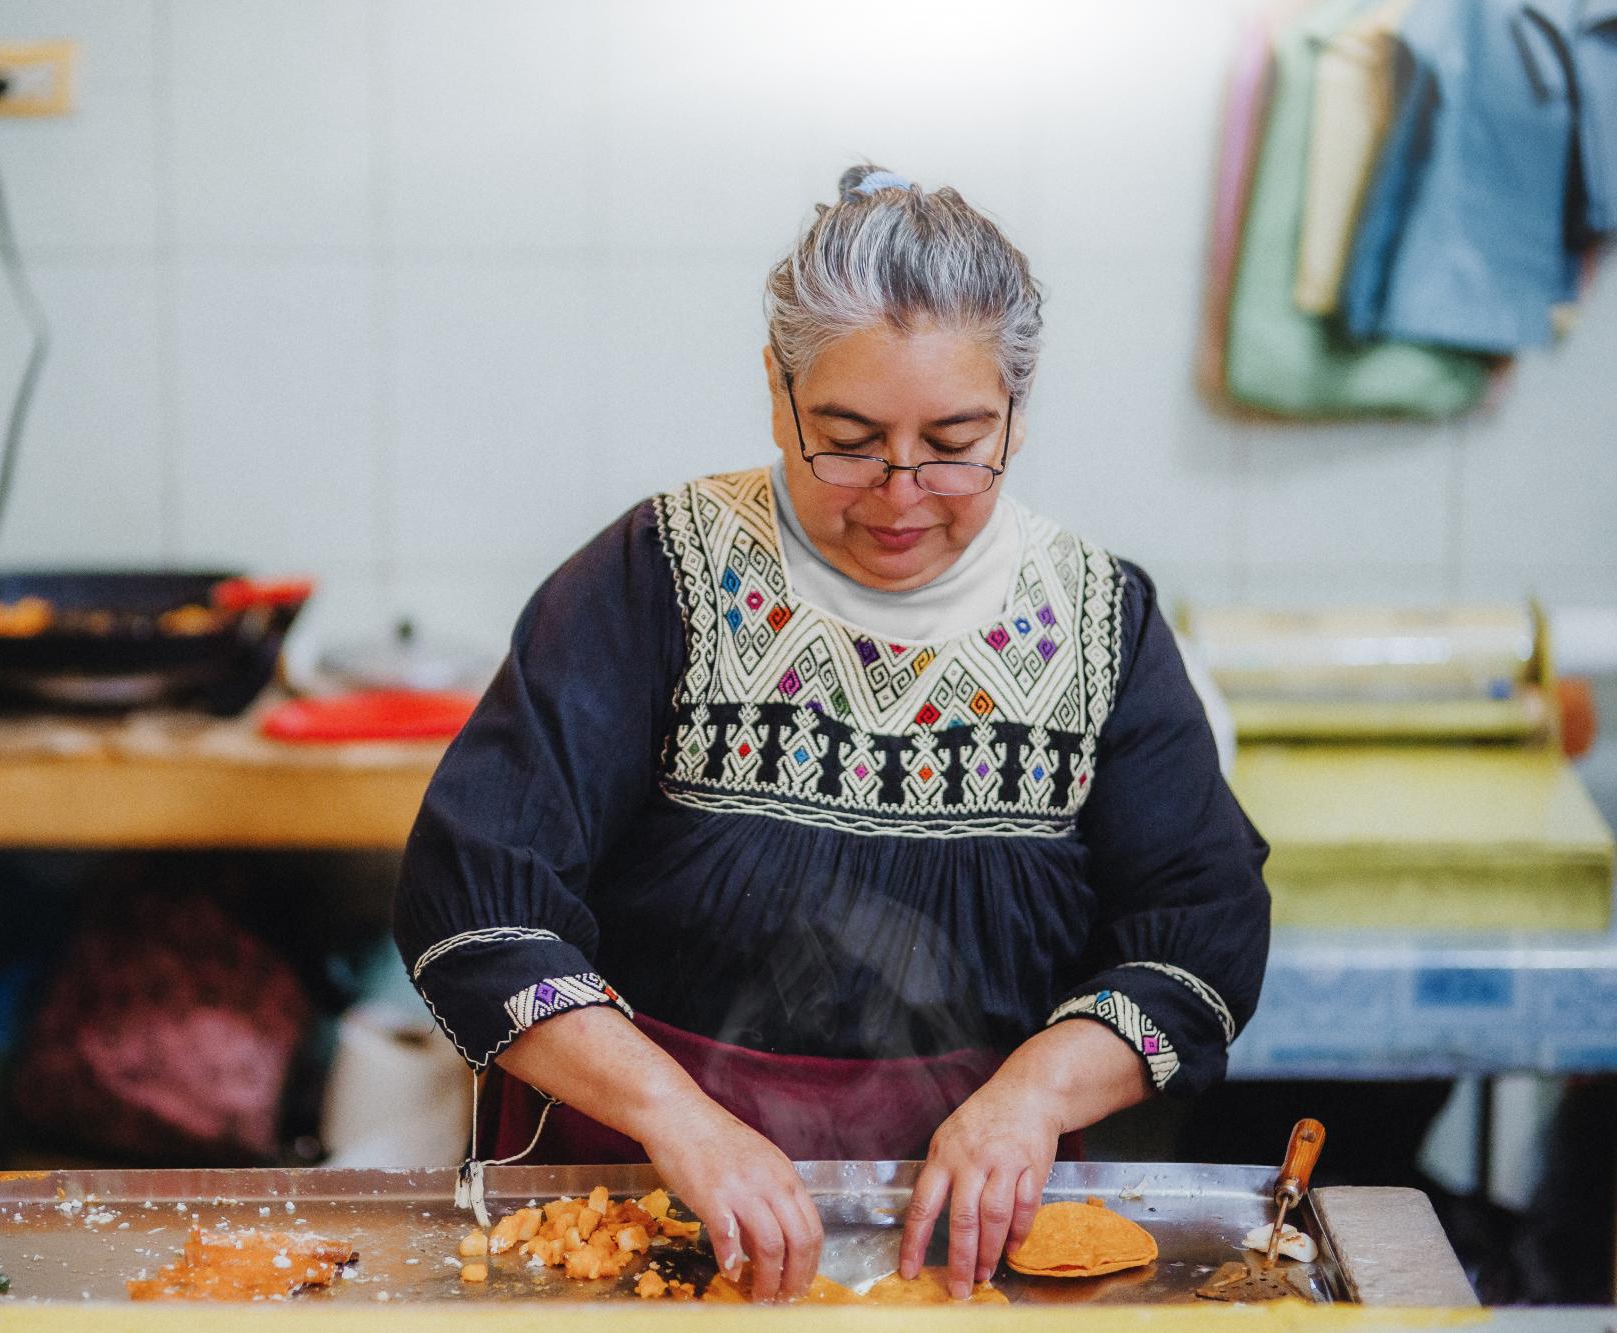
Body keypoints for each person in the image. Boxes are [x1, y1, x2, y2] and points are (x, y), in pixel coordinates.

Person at [393, 164, 1270, 1302]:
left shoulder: (1096, 615)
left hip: (970, 1250)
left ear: (1018, 404)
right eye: (847, 439)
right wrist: (681, 1118)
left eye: (955, 440)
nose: (901, 493)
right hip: (626, 1216)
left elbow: (1199, 936)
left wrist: (1033, 1096)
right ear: (776, 389)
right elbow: (475, 907)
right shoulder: (657, 574)